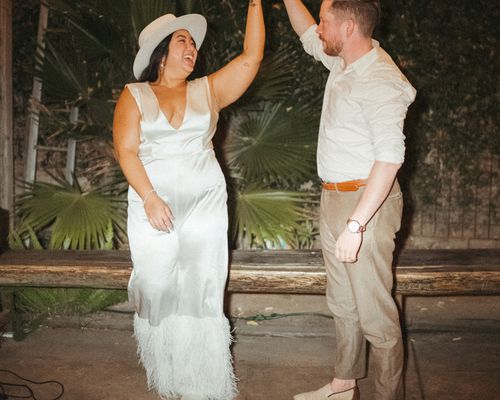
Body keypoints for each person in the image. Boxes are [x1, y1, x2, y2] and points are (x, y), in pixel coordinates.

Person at [112, 2, 264, 399]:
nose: (193, 47)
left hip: (205, 203)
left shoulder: (207, 90)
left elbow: (252, 57)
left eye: (194, 43)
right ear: (161, 52)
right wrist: (149, 198)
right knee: (158, 286)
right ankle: (169, 379)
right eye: (183, 40)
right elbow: (126, 151)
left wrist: (255, 3)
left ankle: (206, 386)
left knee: (203, 289)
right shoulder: (135, 95)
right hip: (151, 204)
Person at [282, 1, 416, 399]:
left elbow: (390, 158)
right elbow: (307, 32)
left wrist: (356, 225)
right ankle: (343, 386)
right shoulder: (342, 61)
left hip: (367, 204)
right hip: (334, 197)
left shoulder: (380, 80)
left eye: (325, 21)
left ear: (349, 27)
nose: (318, 29)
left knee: (376, 316)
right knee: (343, 302)